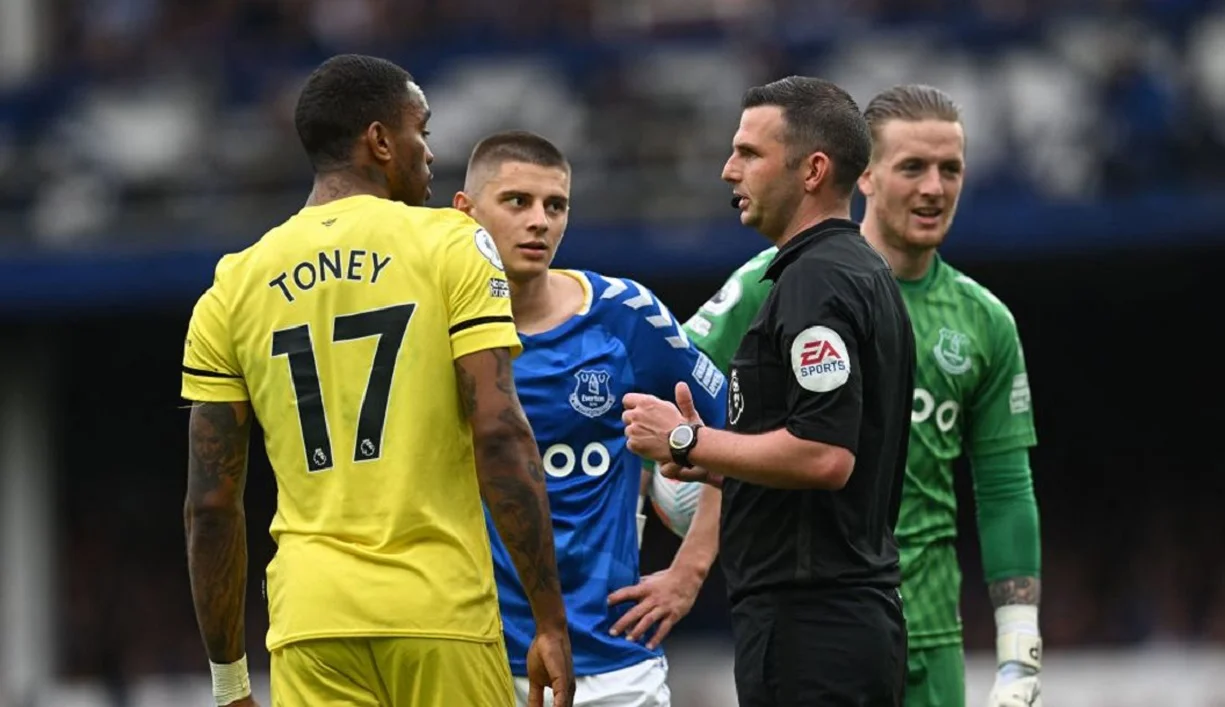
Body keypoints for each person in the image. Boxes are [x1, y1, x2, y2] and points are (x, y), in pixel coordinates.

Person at [180, 54, 574, 707]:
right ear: (380, 140)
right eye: (422, 129)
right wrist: (549, 620)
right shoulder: (451, 243)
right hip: (437, 612)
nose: (430, 151)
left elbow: (210, 503)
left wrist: (229, 681)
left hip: (311, 624)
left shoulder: (235, 283)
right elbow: (499, 432)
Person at [680, 84, 1044, 707]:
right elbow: (677, 397)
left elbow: (1005, 489)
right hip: (818, 611)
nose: (934, 187)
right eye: (913, 167)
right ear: (865, 175)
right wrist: (690, 549)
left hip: (919, 634)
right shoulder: (768, 284)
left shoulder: (985, 322)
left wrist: (1019, 650)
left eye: (950, 168)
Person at [623, 76, 914, 706]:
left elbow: (825, 455)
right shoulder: (854, 273)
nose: (729, 170)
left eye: (750, 153)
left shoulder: (816, 283)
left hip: (813, 625)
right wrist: (706, 458)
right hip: (837, 618)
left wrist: (684, 437)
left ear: (812, 170)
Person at [452, 129, 727, 707]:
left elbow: (740, 435)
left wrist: (691, 568)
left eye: (556, 206)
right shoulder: (433, 332)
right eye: (517, 202)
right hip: (472, 658)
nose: (539, 222)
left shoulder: (626, 317)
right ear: (465, 212)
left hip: (612, 662)